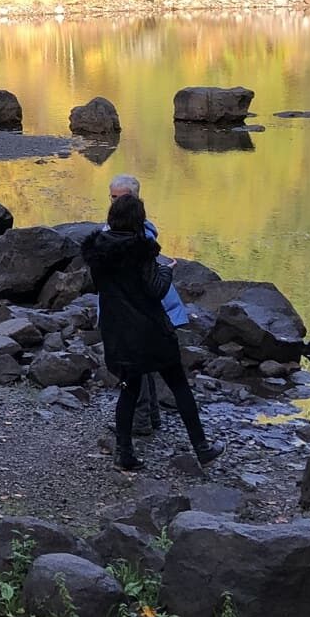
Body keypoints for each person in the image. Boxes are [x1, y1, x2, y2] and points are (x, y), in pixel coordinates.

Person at [83, 192, 222, 473]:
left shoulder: (96, 251)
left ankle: (125, 453)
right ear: (138, 220)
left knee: (129, 389)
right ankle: (202, 448)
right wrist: (168, 271)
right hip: (150, 330)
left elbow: (99, 287)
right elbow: (156, 290)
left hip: (117, 331)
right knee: (179, 385)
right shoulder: (141, 250)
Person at [108, 175, 187, 434]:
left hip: (141, 315)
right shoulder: (120, 234)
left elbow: (150, 284)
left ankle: (139, 424)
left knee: (136, 371)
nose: (115, 203)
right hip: (135, 313)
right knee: (144, 369)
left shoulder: (139, 238)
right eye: (113, 197)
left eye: (120, 198)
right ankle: (151, 418)